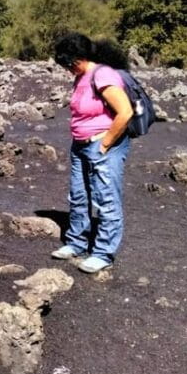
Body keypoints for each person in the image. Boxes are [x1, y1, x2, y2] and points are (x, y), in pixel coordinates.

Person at [50, 33, 133, 273]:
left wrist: (105, 143)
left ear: (77, 59)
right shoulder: (81, 76)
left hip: (102, 145)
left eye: (67, 64)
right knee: (79, 195)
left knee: (106, 199)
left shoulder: (103, 75)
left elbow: (124, 112)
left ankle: (103, 252)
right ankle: (76, 242)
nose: (66, 70)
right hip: (80, 145)